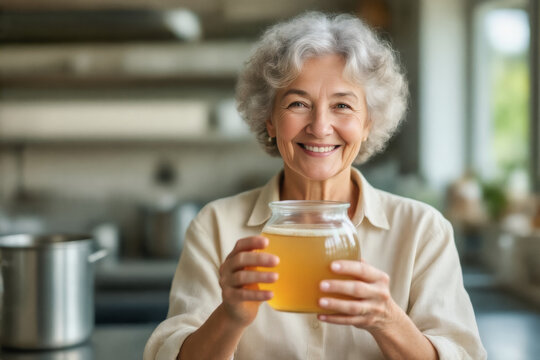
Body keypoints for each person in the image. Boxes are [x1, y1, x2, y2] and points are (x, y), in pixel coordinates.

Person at [144, 12, 486, 360]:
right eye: (298, 104)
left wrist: (388, 321)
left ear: (369, 122)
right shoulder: (215, 226)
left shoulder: (422, 231)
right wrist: (229, 317)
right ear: (270, 119)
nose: (320, 127)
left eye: (342, 105)